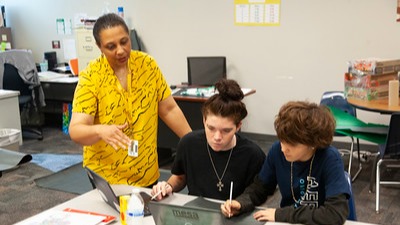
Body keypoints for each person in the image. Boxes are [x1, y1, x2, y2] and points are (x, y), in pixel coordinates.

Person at [69, 13, 191, 187]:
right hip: (107, 174)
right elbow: (76, 130)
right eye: (111, 46)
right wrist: (100, 131)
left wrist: (193, 141)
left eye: (124, 42)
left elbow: (168, 109)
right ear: (99, 47)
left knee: (149, 213)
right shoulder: (91, 76)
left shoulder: (147, 65)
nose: (120, 50)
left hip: (145, 168)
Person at [221, 101, 351, 225]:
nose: (283, 149)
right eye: (282, 140)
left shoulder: (330, 158)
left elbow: (334, 214)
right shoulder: (277, 150)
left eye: (292, 144)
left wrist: (282, 215)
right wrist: (241, 203)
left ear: (313, 143)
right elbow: (261, 187)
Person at [151, 79, 265, 201]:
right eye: (211, 128)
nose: (217, 137)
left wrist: (240, 204)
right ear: (204, 121)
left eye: (226, 131)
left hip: (236, 215)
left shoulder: (253, 155)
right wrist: (168, 186)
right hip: (197, 213)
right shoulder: (188, 143)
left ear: (238, 126)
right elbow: (180, 178)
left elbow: (259, 192)